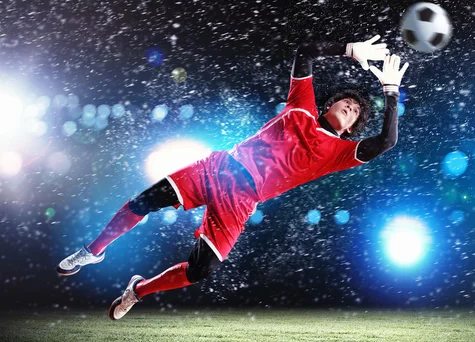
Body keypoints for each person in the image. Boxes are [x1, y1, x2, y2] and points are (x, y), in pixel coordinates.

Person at [56, 35, 409, 320]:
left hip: (241, 201)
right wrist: (348, 50)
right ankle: (92, 252)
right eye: (346, 102)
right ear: (330, 104)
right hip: (219, 169)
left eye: (356, 112)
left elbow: (387, 140)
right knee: (144, 202)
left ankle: (137, 290)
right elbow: (305, 52)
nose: (350, 108)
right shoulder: (300, 105)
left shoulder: (339, 154)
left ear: (351, 128)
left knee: (200, 272)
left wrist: (390, 92)